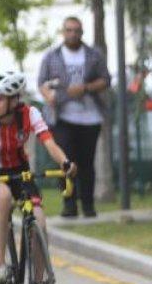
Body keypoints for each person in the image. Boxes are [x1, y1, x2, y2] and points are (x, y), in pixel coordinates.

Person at [0, 70, 75, 284]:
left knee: (39, 218)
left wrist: (65, 163)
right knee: (3, 196)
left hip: (20, 170)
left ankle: (38, 283)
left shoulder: (30, 114)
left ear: (13, 100)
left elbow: (49, 143)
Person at [37, 17, 111, 218]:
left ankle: (88, 205)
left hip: (90, 117)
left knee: (87, 163)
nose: (73, 34)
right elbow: (41, 82)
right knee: (65, 162)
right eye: (69, 30)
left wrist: (85, 88)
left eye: (77, 30)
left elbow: (106, 79)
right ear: (63, 32)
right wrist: (48, 95)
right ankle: (69, 205)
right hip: (61, 117)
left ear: (82, 32)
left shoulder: (94, 54)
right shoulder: (52, 56)